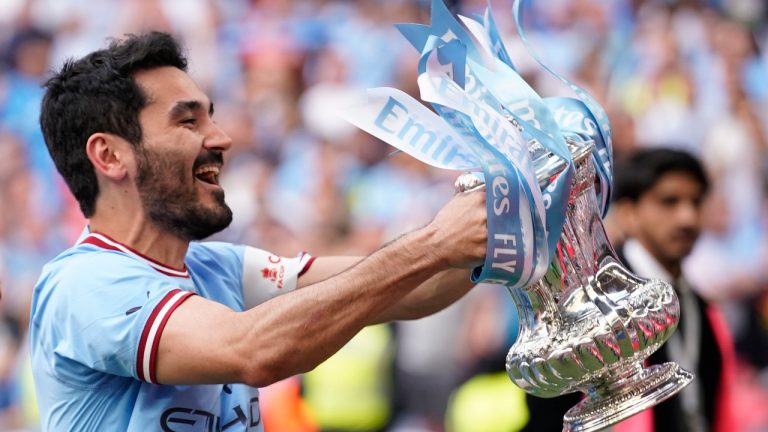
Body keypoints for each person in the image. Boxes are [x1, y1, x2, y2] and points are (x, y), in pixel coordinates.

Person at [28, 32, 488, 431]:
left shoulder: (219, 267)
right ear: (109, 156)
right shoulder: (83, 285)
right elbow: (255, 350)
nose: (222, 137)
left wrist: (506, 218)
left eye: (211, 115)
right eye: (188, 121)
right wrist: (433, 243)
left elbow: (412, 288)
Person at [521, 148, 736, 432]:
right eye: (669, 202)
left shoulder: (702, 307)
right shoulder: (590, 303)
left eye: (696, 202)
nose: (687, 217)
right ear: (628, 213)